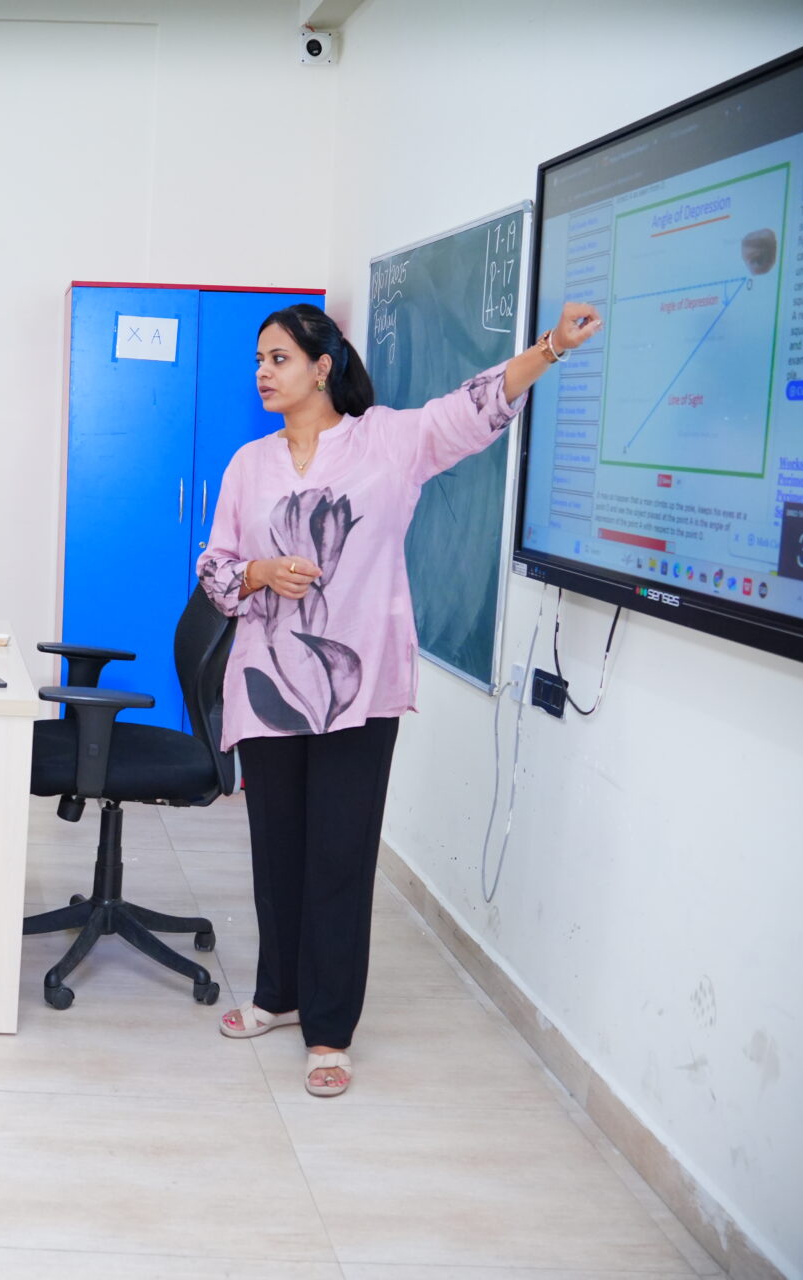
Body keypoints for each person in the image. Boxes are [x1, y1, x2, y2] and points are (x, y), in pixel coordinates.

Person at [196, 300, 602, 1097]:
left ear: (323, 365)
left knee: (340, 855)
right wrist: (257, 573)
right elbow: (214, 569)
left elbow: (474, 408)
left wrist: (550, 348)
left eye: (278, 359)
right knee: (278, 854)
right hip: (267, 685)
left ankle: (330, 1030)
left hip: (361, 685)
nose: (263, 375)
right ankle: (278, 995)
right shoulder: (249, 464)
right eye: (258, 362)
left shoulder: (386, 441)